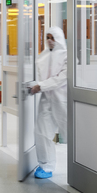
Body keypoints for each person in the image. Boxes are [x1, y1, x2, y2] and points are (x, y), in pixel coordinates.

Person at [28, 26, 67, 179]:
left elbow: (62, 78)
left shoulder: (67, 56)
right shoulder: (42, 56)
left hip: (62, 99)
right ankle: (46, 165)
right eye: (48, 37)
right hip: (46, 100)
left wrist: (41, 86)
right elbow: (41, 78)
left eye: (53, 37)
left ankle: (88, 164)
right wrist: (35, 85)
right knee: (42, 133)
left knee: (73, 133)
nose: (50, 40)